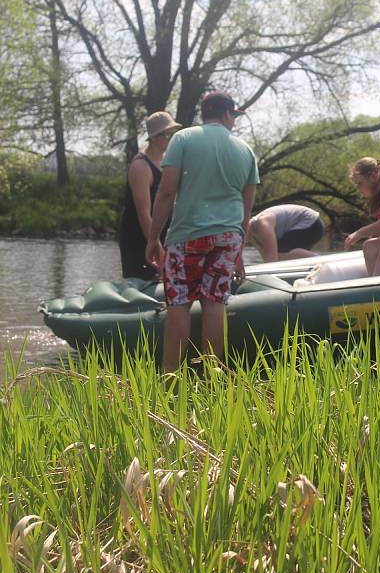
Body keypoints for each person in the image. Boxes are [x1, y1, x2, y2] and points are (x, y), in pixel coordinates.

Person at [146, 90, 259, 371]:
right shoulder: (246, 151)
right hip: (229, 238)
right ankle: (211, 380)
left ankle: (169, 381)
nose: (233, 121)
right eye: (233, 116)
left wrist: (153, 238)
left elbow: (166, 191)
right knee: (214, 303)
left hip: (187, 234)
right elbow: (246, 210)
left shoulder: (183, 139)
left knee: (179, 306)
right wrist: (238, 250)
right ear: (225, 114)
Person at [118, 111, 181, 279]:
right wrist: (156, 246)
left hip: (162, 233)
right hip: (138, 237)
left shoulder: (168, 160)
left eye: (172, 134)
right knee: (142, 280)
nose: (170, 138)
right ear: (153, 137)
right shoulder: (140, 167)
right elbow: (143, 213)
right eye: (166, 134)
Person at [248, 204, 325, 261]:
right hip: (306, 224)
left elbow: (272, 257)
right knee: (281, 254)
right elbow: (266, 257)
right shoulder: (254, 236)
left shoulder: (262, 223)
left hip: (312, 224)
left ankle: (322, 261)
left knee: (280, 252)